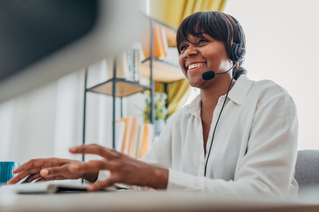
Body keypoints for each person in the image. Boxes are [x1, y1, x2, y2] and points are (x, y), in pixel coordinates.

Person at [8, 11, 298, 198]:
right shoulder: (182, 118)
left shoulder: (268, 99)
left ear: (236, 52)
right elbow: (142, 176)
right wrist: (89, 170)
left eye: (202, 40)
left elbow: (264, 194)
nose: (189, 52)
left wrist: (155, 176)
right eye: (183, 47)